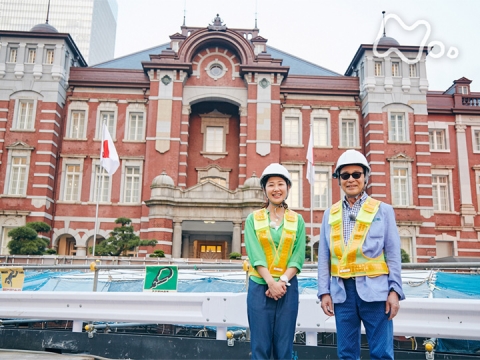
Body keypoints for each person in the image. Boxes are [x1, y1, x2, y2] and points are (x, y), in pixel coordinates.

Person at [317, 149, 404, 360]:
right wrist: (324, 292)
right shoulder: (330, 213)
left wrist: (395, 290)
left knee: (381, 353)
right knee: (346, 354)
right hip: (342, 293)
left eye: (357, 174)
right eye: (345, 175)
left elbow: (393, 254)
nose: (351, 179)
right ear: (339, 180)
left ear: (365, 177)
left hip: (376, 292)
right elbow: (324, 257)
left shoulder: (383, 210)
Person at [244, 163, 306, 360]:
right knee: (260, 345)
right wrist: (271, 282)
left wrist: (282, 282)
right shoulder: (253, 219)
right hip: (260, 286)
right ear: (264, 189)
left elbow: (297, 257)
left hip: (287, 287)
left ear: (288, 188)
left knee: (284, 345)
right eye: (271, 184)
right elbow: (255, 254)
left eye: (281, 184)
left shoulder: (298, 220)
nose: (276, 189)